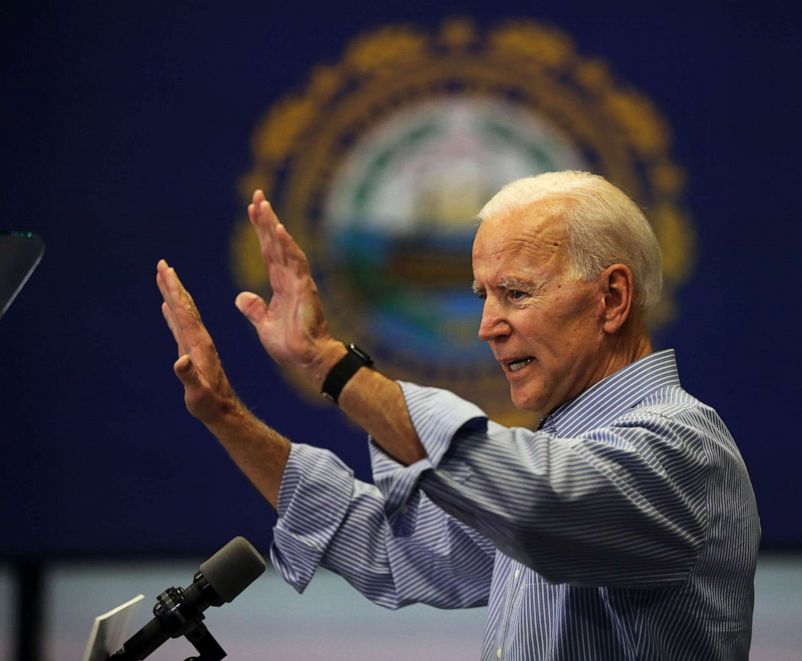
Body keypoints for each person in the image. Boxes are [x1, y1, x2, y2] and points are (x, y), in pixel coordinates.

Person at [156, 171, 760, 660]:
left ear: (611, 299)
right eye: (483, 295)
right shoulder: (560, 452)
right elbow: (390, 549)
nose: (487, 327)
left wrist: (329, 365)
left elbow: (536, 504)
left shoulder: (683, 449)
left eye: (516, 292)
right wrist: (225, 415)